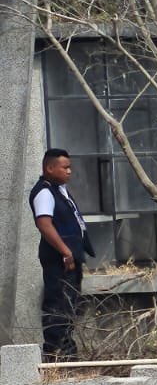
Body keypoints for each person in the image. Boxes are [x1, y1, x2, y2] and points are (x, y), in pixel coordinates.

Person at [29, 148, 93, 361]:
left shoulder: (60, 190)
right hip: (59, 260)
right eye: (64, 167)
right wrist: (66, 252)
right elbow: (44, 224)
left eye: (70, 167)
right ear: (49, 168)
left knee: (69, 305)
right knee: (57, 304)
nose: (69, 172)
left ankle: (66, 349)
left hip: (71, 260)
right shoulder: (44, 192)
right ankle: (56, 353)